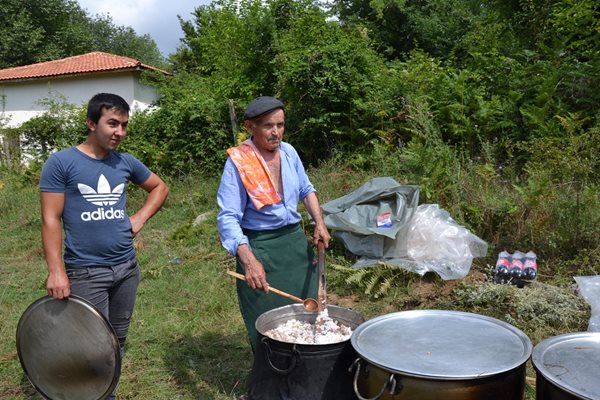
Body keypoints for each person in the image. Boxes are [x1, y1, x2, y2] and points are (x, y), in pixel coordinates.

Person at [40, 93, 169, 399]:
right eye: (112, 123)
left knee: (117, 340)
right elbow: (50, 219)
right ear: (91, 123)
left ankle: (105, 393)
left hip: (126, 269)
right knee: (91, 345)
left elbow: (160, 187)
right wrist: (56, 271)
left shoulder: (125, 162)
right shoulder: (62, 163)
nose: (119, 132)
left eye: (124, 125)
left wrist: (138, 219)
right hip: (86, 273)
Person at [217, 96, 331, 349]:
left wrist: (319, 223)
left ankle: (310, 366)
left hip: (294, 243)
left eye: (280, 125)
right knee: (269, 324)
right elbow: (228, 217)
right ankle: (270, 378)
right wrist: (249, 261)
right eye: (269, 126)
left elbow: (306, 189)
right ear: (250, 127)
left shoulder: (289, 152)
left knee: (308, 310)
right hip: (261, 248)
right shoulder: (239, 163)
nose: (276, 132)